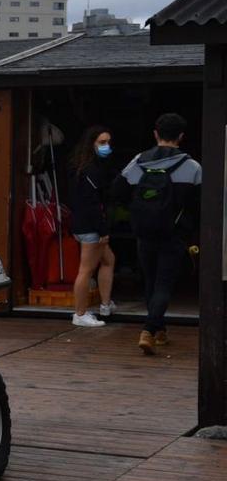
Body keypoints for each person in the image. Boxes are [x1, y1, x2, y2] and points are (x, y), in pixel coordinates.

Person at [111, 113, 201, 355]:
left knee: (150, 281)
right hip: (174, 234)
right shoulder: (192, 167)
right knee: (164, 283)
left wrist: (138, 206)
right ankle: (150, 330)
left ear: (155, 134)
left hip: (144, 232)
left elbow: (117, 190)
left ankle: (160, 331)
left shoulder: (139, 161)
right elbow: (199, 204)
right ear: (181, 137)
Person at [67, 126, 117, 327]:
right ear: (92, 144)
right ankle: (80, 314)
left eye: (108, 142)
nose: (106, 146)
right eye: (102, 142)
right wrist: (102, 230)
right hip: (90, 227)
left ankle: (105, 304)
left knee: (108, 259)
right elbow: (93, 204)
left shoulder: (80, 167)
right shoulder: (90, 171)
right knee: (86, 270)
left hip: (82, 224)